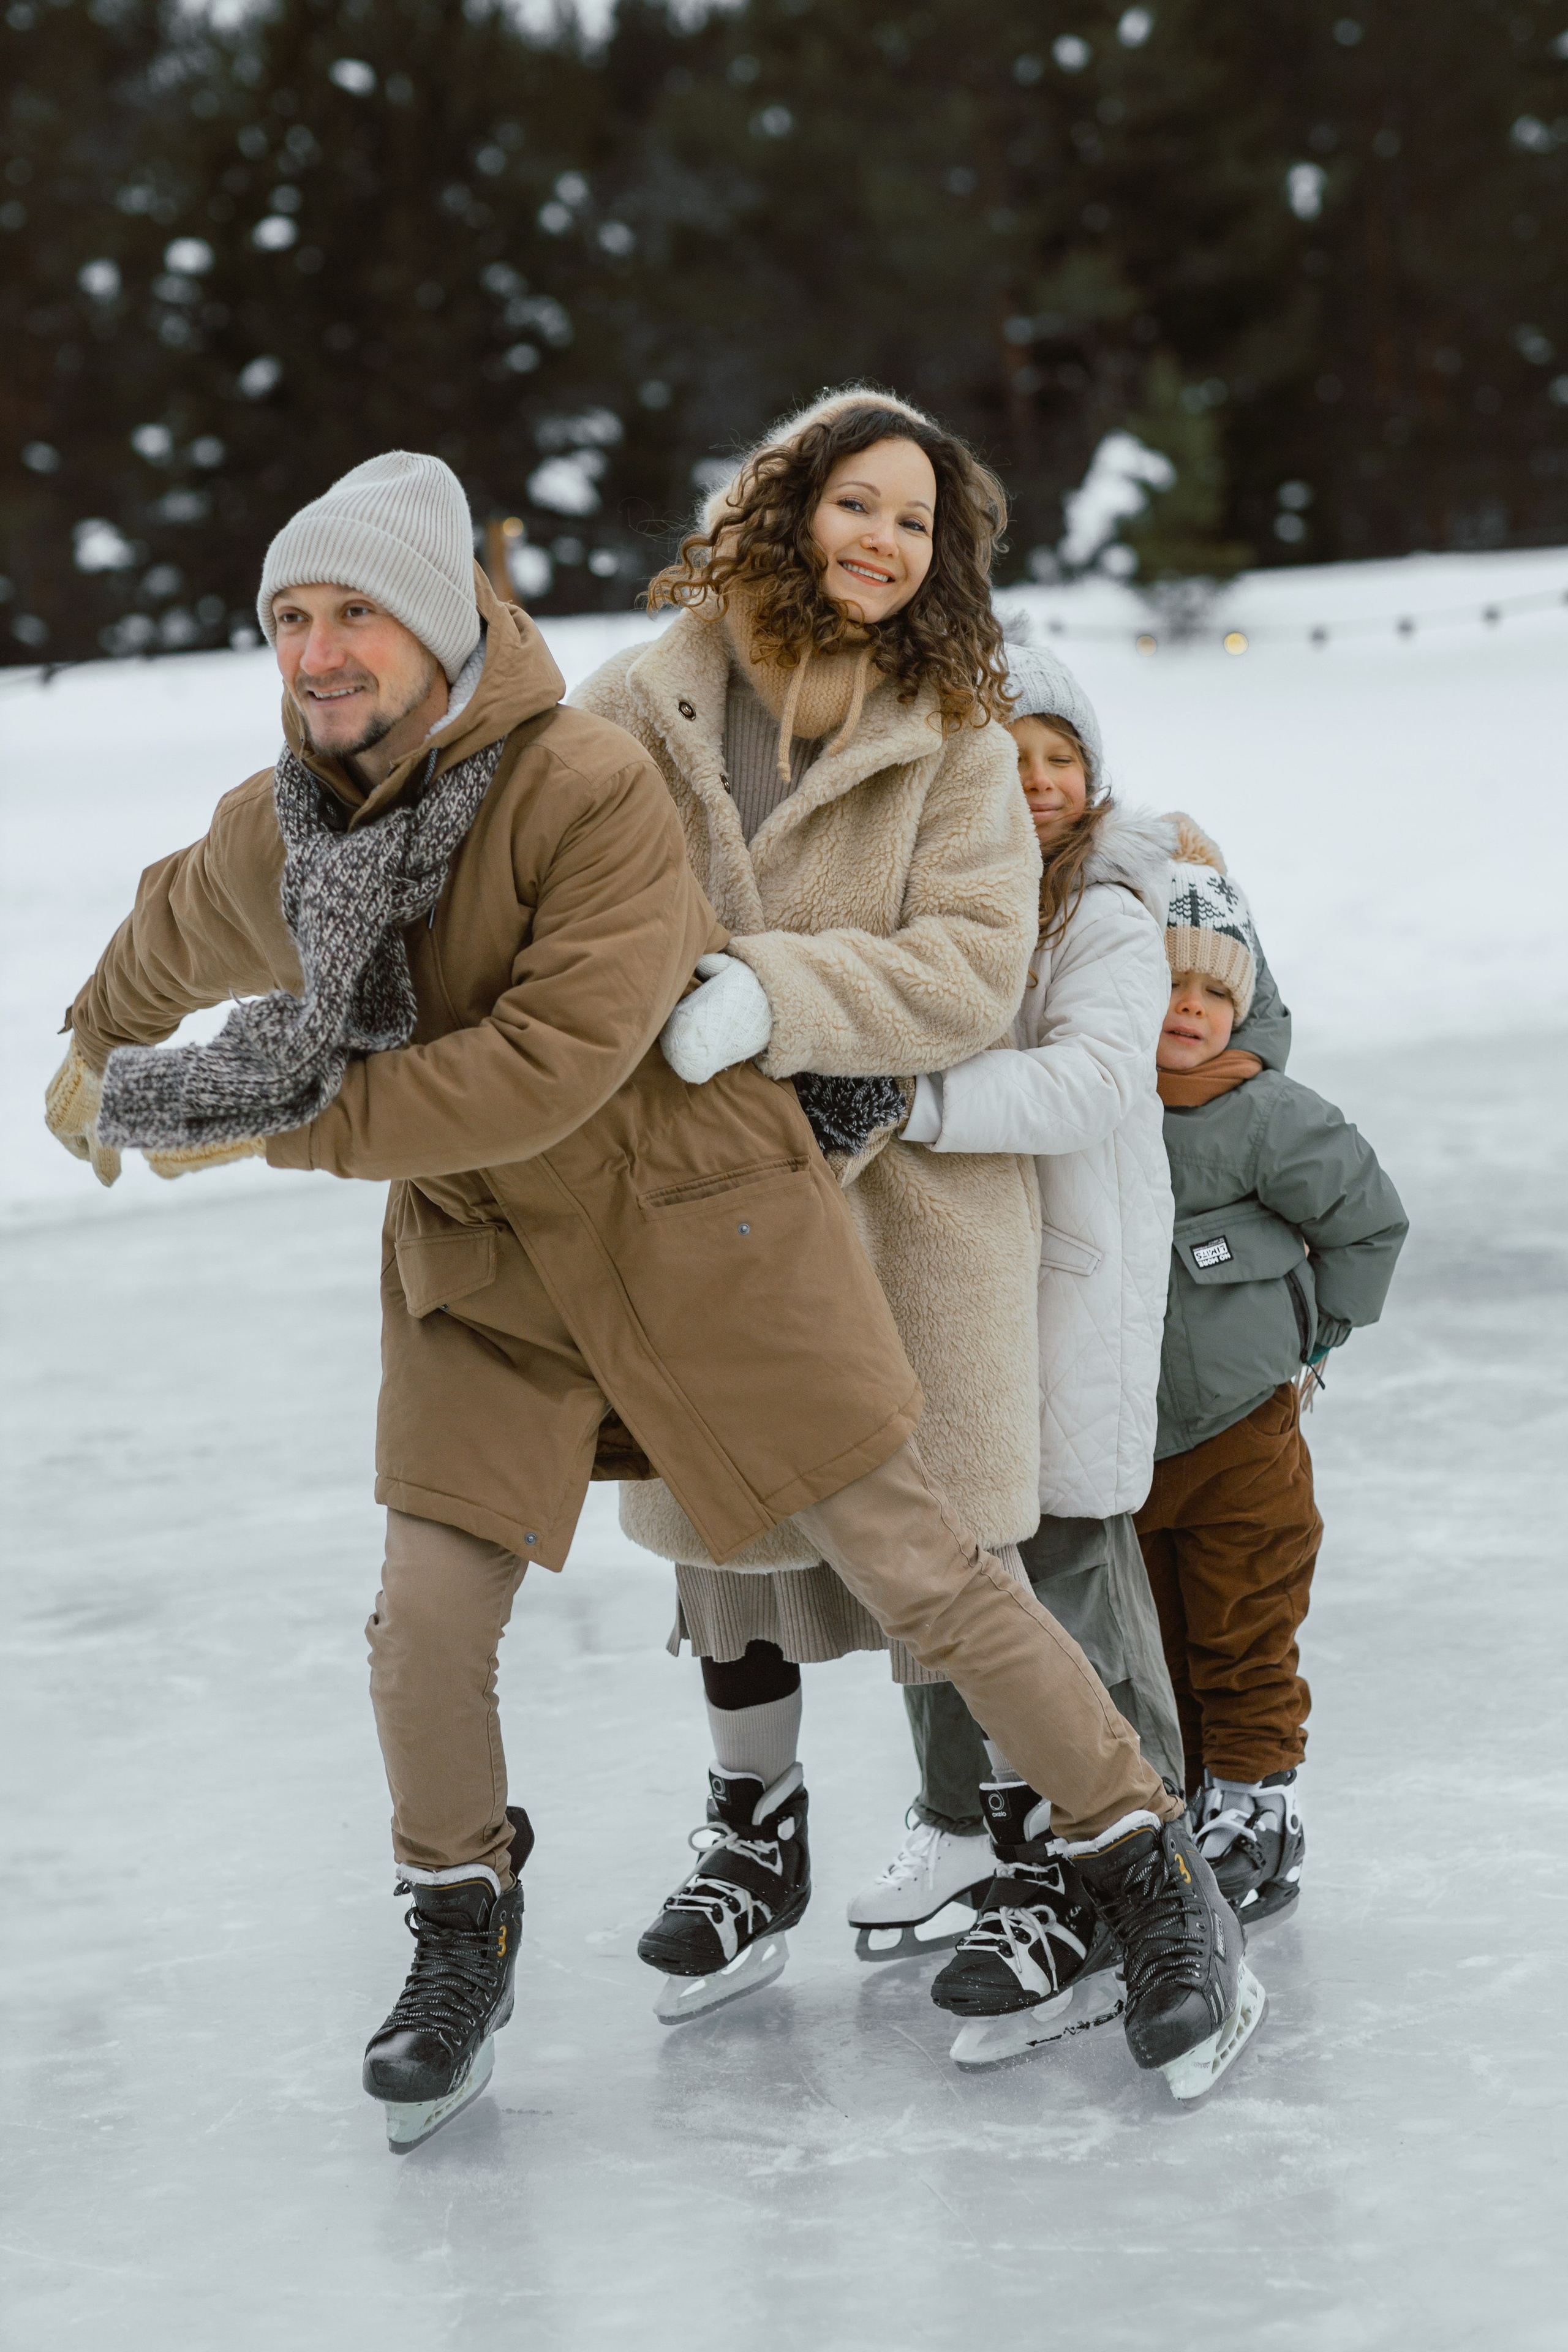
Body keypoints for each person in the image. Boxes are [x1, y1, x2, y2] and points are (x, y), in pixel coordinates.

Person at [43, 450, 1255, 2147]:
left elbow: (542, 1070)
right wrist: (100, 1042)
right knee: (424, 1625)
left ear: (450, 625)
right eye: (291, 620)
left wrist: (258, 1120)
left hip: (710, 1241)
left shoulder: (585, 787)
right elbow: (184, 919)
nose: (318, 653)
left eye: (357, 619)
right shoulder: (293, 828)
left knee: (930, 1572)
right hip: (486, 1278)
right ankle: (462, 1926)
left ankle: (1147, 1865)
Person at [570, 391, 1064, 1964]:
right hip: (697, 1200)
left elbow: (976, 965)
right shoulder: (635, 705)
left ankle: (1026, 1844)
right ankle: (752, 1838)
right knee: (723, 1539)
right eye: (859, 503)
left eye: (917, 523)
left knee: (948, 1542)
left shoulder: (959, 735)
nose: (884, 543)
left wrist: (774, 993)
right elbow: (557, 901)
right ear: (781, 504)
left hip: (906, 1216)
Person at [823, 644, 1184, 2065]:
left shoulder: (1104, 911)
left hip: (1070, 1284)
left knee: (1074, 1563)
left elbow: (1094, 1080)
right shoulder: (949, 891)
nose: (1037, 786)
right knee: (942, 1563)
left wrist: (908, 1098)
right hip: (951, 1283)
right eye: (1007, 758)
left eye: (1058, 759)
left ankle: (1134, 1847)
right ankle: (985, 1834)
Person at [1134, 820, 1408, 1928]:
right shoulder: (1100, 1106)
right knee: (1157, 1631)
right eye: (1167, 986)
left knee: (1245, 1619)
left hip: (1245, 1427)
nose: (1189, 1010)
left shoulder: (1270, 1114)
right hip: (1127, 1439)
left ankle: (1258, 1803)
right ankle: (1194, 1794)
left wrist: (1316, 1336)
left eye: (1213, 992)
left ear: (1244, 1005)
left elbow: (1370, 1223)